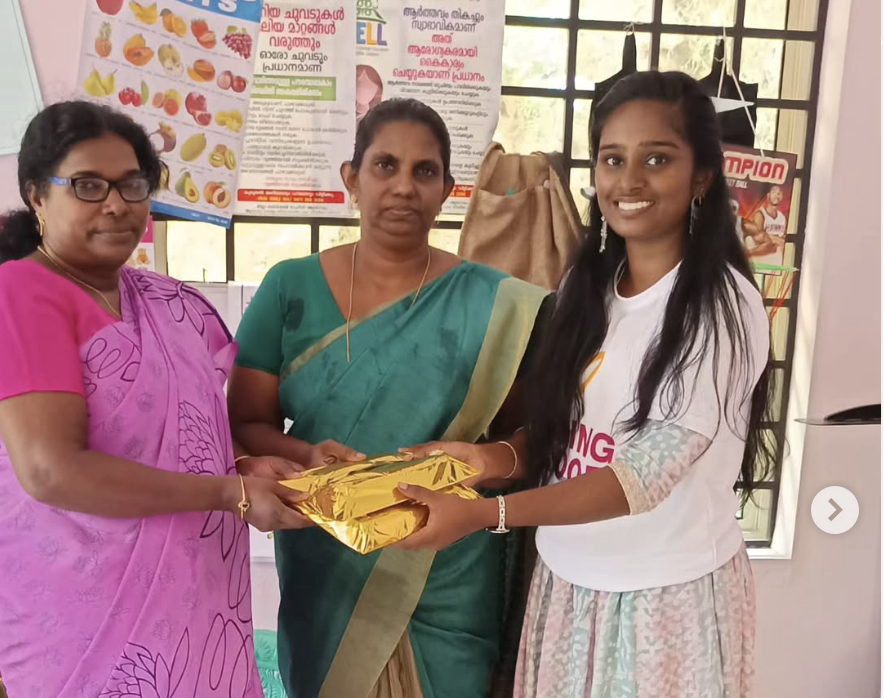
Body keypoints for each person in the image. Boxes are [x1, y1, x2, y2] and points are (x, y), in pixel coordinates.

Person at [396, 71, 774, 698]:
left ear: (701, 175)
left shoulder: (720, 307)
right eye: (612, 159)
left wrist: (484, 514)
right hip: (568, 583)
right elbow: (567, 434)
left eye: (657, 159)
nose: (629, 182)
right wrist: (491, 459)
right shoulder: (587, 286)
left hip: (663, 598)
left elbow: (639, 478)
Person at [227, 98, 550, 698]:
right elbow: (244, 422)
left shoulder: (496, 304)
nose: (404, 187)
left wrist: (481, 463)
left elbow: (533, 443)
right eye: (385, 166)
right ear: (352, 178)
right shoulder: (288, 287)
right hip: (327, 560)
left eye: (424, 171)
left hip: (443, 562)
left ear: (450, 189)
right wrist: (304, 453)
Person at [0, 100, 311, 698]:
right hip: (86, 616)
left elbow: (181, 438)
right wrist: (229, 491)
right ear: (38, 196)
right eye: (87, 186)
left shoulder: (171, 304)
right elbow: (50, 470)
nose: (116, 204)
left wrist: (247, 468)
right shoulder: (23, 293)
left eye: (132, 184)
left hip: (197, 601)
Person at [747, 184, 787, 266]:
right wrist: (777, 239)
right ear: (768, 196)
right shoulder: (760, 214)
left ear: (782, 196)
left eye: (779, 193)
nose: (777, 195)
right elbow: (758, 238)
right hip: (762, 257)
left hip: (777, 258)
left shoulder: (782, 218)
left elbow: (783, 238)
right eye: (774, 192)